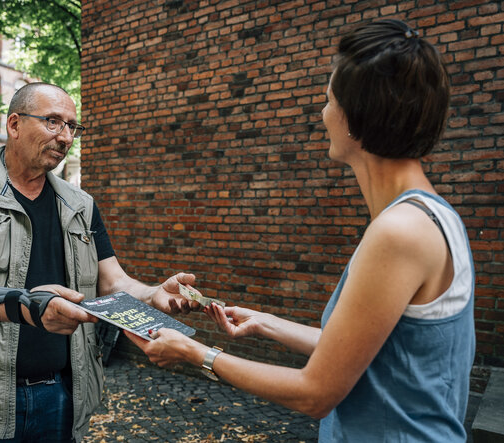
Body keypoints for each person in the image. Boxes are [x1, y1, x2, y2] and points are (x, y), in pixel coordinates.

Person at [127, 19, 475, 442]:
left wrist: (194, 352)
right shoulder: (434, 215)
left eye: (328, 100)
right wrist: (265, 322)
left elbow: (316, 392)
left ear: (355, 117)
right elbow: (362, 350)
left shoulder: (399, 232)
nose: (322, 113)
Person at [0, 82, 200, 442]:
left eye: (72, 126)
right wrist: (30, 306)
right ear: (14, 125)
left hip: (62, 397)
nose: (66, 137)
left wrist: (152, 295)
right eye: (53, 122)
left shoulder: (81, 205)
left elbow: (112, 281)